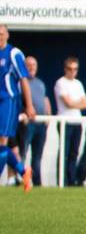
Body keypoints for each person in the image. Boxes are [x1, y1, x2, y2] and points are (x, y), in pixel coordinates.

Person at [0, 24, 36, 191]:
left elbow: (23, 79)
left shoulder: (13, 53)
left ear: (7, 35)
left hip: (8, 101)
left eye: (1, 34)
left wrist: (29, 105)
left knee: (2, 141)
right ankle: (23, 170)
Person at [53, 57, 86, 187]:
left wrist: (75, 103)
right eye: (70, 69)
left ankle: (71, 180)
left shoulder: (78, 84)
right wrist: (76, 103)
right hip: (65, 122)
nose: (72, 72)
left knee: (74, 152)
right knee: (64, 152)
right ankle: (62, 181)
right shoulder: (60, 83)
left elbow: (85, 104)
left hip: (76, 122)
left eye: (75, 69)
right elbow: (67, 103)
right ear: (65, 69)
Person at [19, 56, 49, 188]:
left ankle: (37, 181)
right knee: (22, 152)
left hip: (40, 124)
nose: (31, 68)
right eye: (28, 65)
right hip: (27, 124)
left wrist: (48, 115)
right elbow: (18, 101)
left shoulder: (40, 83)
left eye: (34, 65)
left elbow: (45, 99)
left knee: (37, 155)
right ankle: (21, 179)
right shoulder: (21, 83)